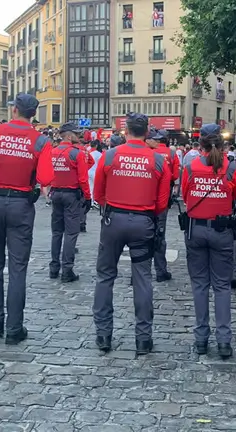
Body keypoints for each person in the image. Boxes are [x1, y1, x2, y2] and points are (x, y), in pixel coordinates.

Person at [0, 93, 54, 344]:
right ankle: (15, 327)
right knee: (18, 267)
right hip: (21, 203)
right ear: (33, 114)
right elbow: (47, 178)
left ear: (14, 109)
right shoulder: (40, 141)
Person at [92, 112, 170, 355]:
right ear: (147, 133)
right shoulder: (158, 160)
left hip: (113, 220)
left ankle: (103, 335)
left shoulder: (110, 155)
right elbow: (162, 202)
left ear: (125, 131)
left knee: (105, 276)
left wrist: (112, 206)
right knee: (142, 278)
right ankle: (143, 338)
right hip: (143, 221)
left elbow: (98, 194)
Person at [181, 124, 236, 358]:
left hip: (196, 229)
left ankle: (201, 339)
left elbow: (185, 196)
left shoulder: (190, 165)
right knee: (222, 286)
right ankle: (224, 341)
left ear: (200, 143)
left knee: (199, 285)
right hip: (222, 230)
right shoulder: (231, 167)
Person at [49, 122, 91, 282]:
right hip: (71, 195)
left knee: (56, 232)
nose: (78, 136)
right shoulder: (77, 153)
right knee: (71, 233)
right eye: (75, 133)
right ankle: (67, 269)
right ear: (67, 135)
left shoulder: (52, 152)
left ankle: (53, 268)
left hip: (56, 193)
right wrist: (87, 197)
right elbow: (83, 179)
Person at [146, 127, 180, 281]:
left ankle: (139, 273)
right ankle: (161, 271)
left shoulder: (147, 154)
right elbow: (174, 175)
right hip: (162, 199)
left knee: (141, 238)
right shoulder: (171, 154)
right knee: (159, 235)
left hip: (143, 200)